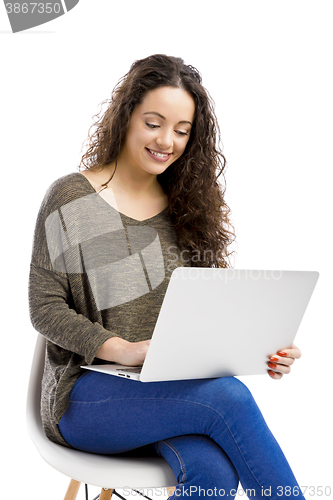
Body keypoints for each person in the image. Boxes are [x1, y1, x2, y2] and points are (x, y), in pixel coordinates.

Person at [29, 54, 304, 499]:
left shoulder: (187, 208)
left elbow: (205, 313)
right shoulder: (72, 196)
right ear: (126, 117)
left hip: (164, 393)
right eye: (154, 123)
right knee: (227, 398)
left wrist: (260, 349)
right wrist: (123, 349)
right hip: (85, 396)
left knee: (212, 473)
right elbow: (44, 307)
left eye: (181, 130)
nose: (167, 141)